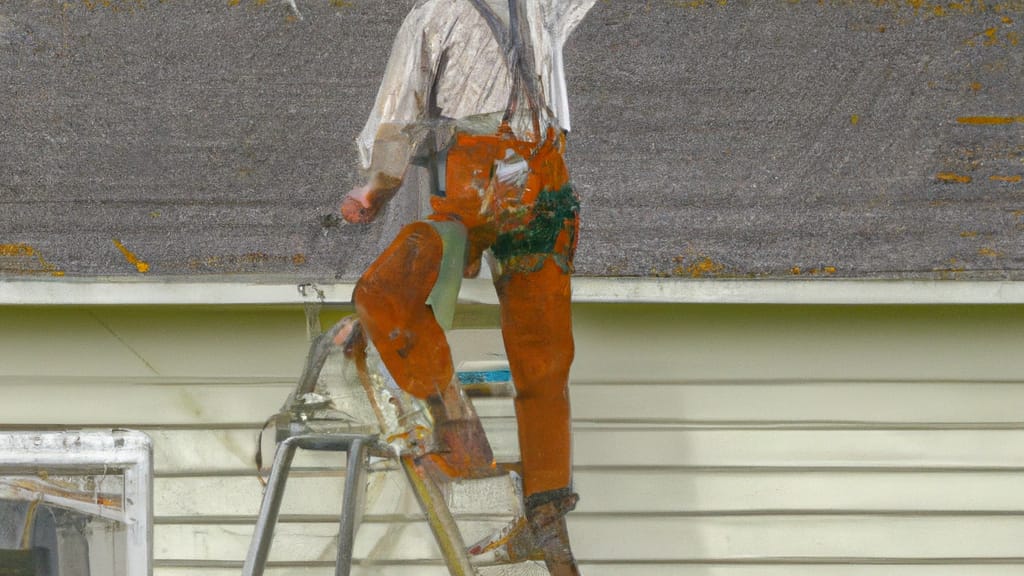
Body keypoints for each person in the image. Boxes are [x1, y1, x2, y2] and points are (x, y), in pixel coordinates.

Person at [341, 1, 595, 573]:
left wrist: (375, 189)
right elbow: (399, 117)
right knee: (540, 357)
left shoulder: (453, 14)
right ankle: (525, 498)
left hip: (507, 194)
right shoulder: (514, 9)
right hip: (516, 193)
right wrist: (378, 188)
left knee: (538, 355)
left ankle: (520, 493)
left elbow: (396, 114)